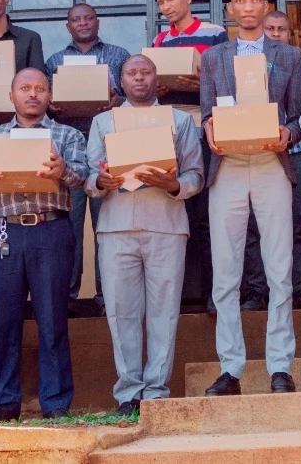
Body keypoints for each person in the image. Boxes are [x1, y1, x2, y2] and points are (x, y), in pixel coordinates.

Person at [198, 0, 301, 396]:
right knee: (225, 273)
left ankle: (280, 365)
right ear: (230, 7)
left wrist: (287, 133)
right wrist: (209, 127)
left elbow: (298, 116)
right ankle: (231, 368)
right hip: (227, 164)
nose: (248, 7)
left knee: (279, 269)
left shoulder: (289, 56)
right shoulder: (213, 58)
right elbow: (208, 112)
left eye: (255, 0)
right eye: (240, 0)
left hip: (269, 162)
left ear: (265, 5)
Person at [84, 55, 205, 416]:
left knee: (163, 311)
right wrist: (100, 181)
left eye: (146, 72)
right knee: (120, 311)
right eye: (131, 73)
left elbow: (196, 176)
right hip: (116, 225)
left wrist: (173, 183)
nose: (139, 78)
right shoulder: (102, 121)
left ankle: (155, 391)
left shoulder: (180, 120)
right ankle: (128, 392)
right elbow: (90, 176)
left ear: (157, 79)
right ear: (121, 80)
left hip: (165, 224)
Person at [0, 68, 88, 421]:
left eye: (40, 89)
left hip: (51, 230)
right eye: (25, 88)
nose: (32, 94)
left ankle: (56, 403)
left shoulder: (66, 134)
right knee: (4, 319)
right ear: (11, 95)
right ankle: (4, 402)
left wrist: (63, 170)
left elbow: (83, 178)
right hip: (3, 232)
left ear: (50, 95)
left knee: (52, 320)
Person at [44, 3, 130, 306]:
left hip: (107, 150)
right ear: (67, 27)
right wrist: (51, 106)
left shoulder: (119, 55)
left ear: (98, 21)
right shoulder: (54, 61)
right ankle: (66, 297)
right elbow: (44, 102)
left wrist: (117, 98)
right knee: (69, 230)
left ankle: (107, 296)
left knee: (105, 226)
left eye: (88, 18)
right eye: (75, 20)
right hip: (68, 152)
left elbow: (130, 96)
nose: (82, 23)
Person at [152, 0, 227, 306]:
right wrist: (159, 88)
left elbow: (225, 85)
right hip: (173, 136)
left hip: (207, 132)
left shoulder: (214, 33)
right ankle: (185, 296)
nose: (166, 7)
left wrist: (201, 85)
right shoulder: (159, 40)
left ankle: (213, 293)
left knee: (208, 216)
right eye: (160, 2)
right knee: (177, 214)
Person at [241, 10, 301, 311]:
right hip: (255, 153)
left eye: (282, 29)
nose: (276, 34)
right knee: (254, 223)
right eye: (270, 28)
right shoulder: (246, 65)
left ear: (291, 34)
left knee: (300, 221)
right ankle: (256, 291)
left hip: (296, 152)